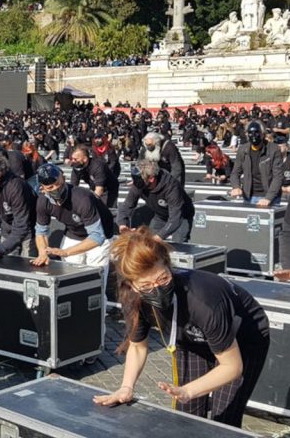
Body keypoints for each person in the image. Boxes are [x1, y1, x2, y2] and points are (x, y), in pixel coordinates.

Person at [95, 228, 270, 429]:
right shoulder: (133, 300)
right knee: (186, 413)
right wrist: (126, 388)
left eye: (162, 279)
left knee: (224, 418)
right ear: (132, 285)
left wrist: (189, 390)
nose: (157, 289)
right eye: (146, 286)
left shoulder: (203, 300)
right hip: (192, 336)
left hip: (243, 336)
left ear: (169, 267)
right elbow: (138, 346)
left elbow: (232, 367)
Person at [32, 164, 114, 295]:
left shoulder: (81, 198)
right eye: (51, 187)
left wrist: (67, 252)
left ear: (63, 178)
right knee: (69, 280)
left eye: (59, 183)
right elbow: (41, 231)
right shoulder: (43, 202)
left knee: (95, 285)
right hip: (73, 232)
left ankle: (99, 312)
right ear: (42, 189)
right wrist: (43, 252)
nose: (57, 188)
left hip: (100, 234)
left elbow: (97, 236)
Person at [118, 160, 194, 243]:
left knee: (178, 244)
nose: (136, 184)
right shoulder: (139, 184)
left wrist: (159, 237)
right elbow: (127, 206)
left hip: (181, 216)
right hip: (160, 215)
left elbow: (175, 219)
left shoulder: (171, 187)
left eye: (139, 180)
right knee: (148, 243)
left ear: (151, 178)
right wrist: (122, 224)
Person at [230, 121, 283, 206]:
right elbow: (235, 172)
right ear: (247, 134)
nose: (254, 136)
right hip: (248, 196)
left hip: (269, 196)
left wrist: (268, 198)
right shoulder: (243, 150)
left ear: (262, 134)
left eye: (257, 133)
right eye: (250, 133)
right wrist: (236, 187)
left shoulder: (273, 150)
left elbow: (278, 176)